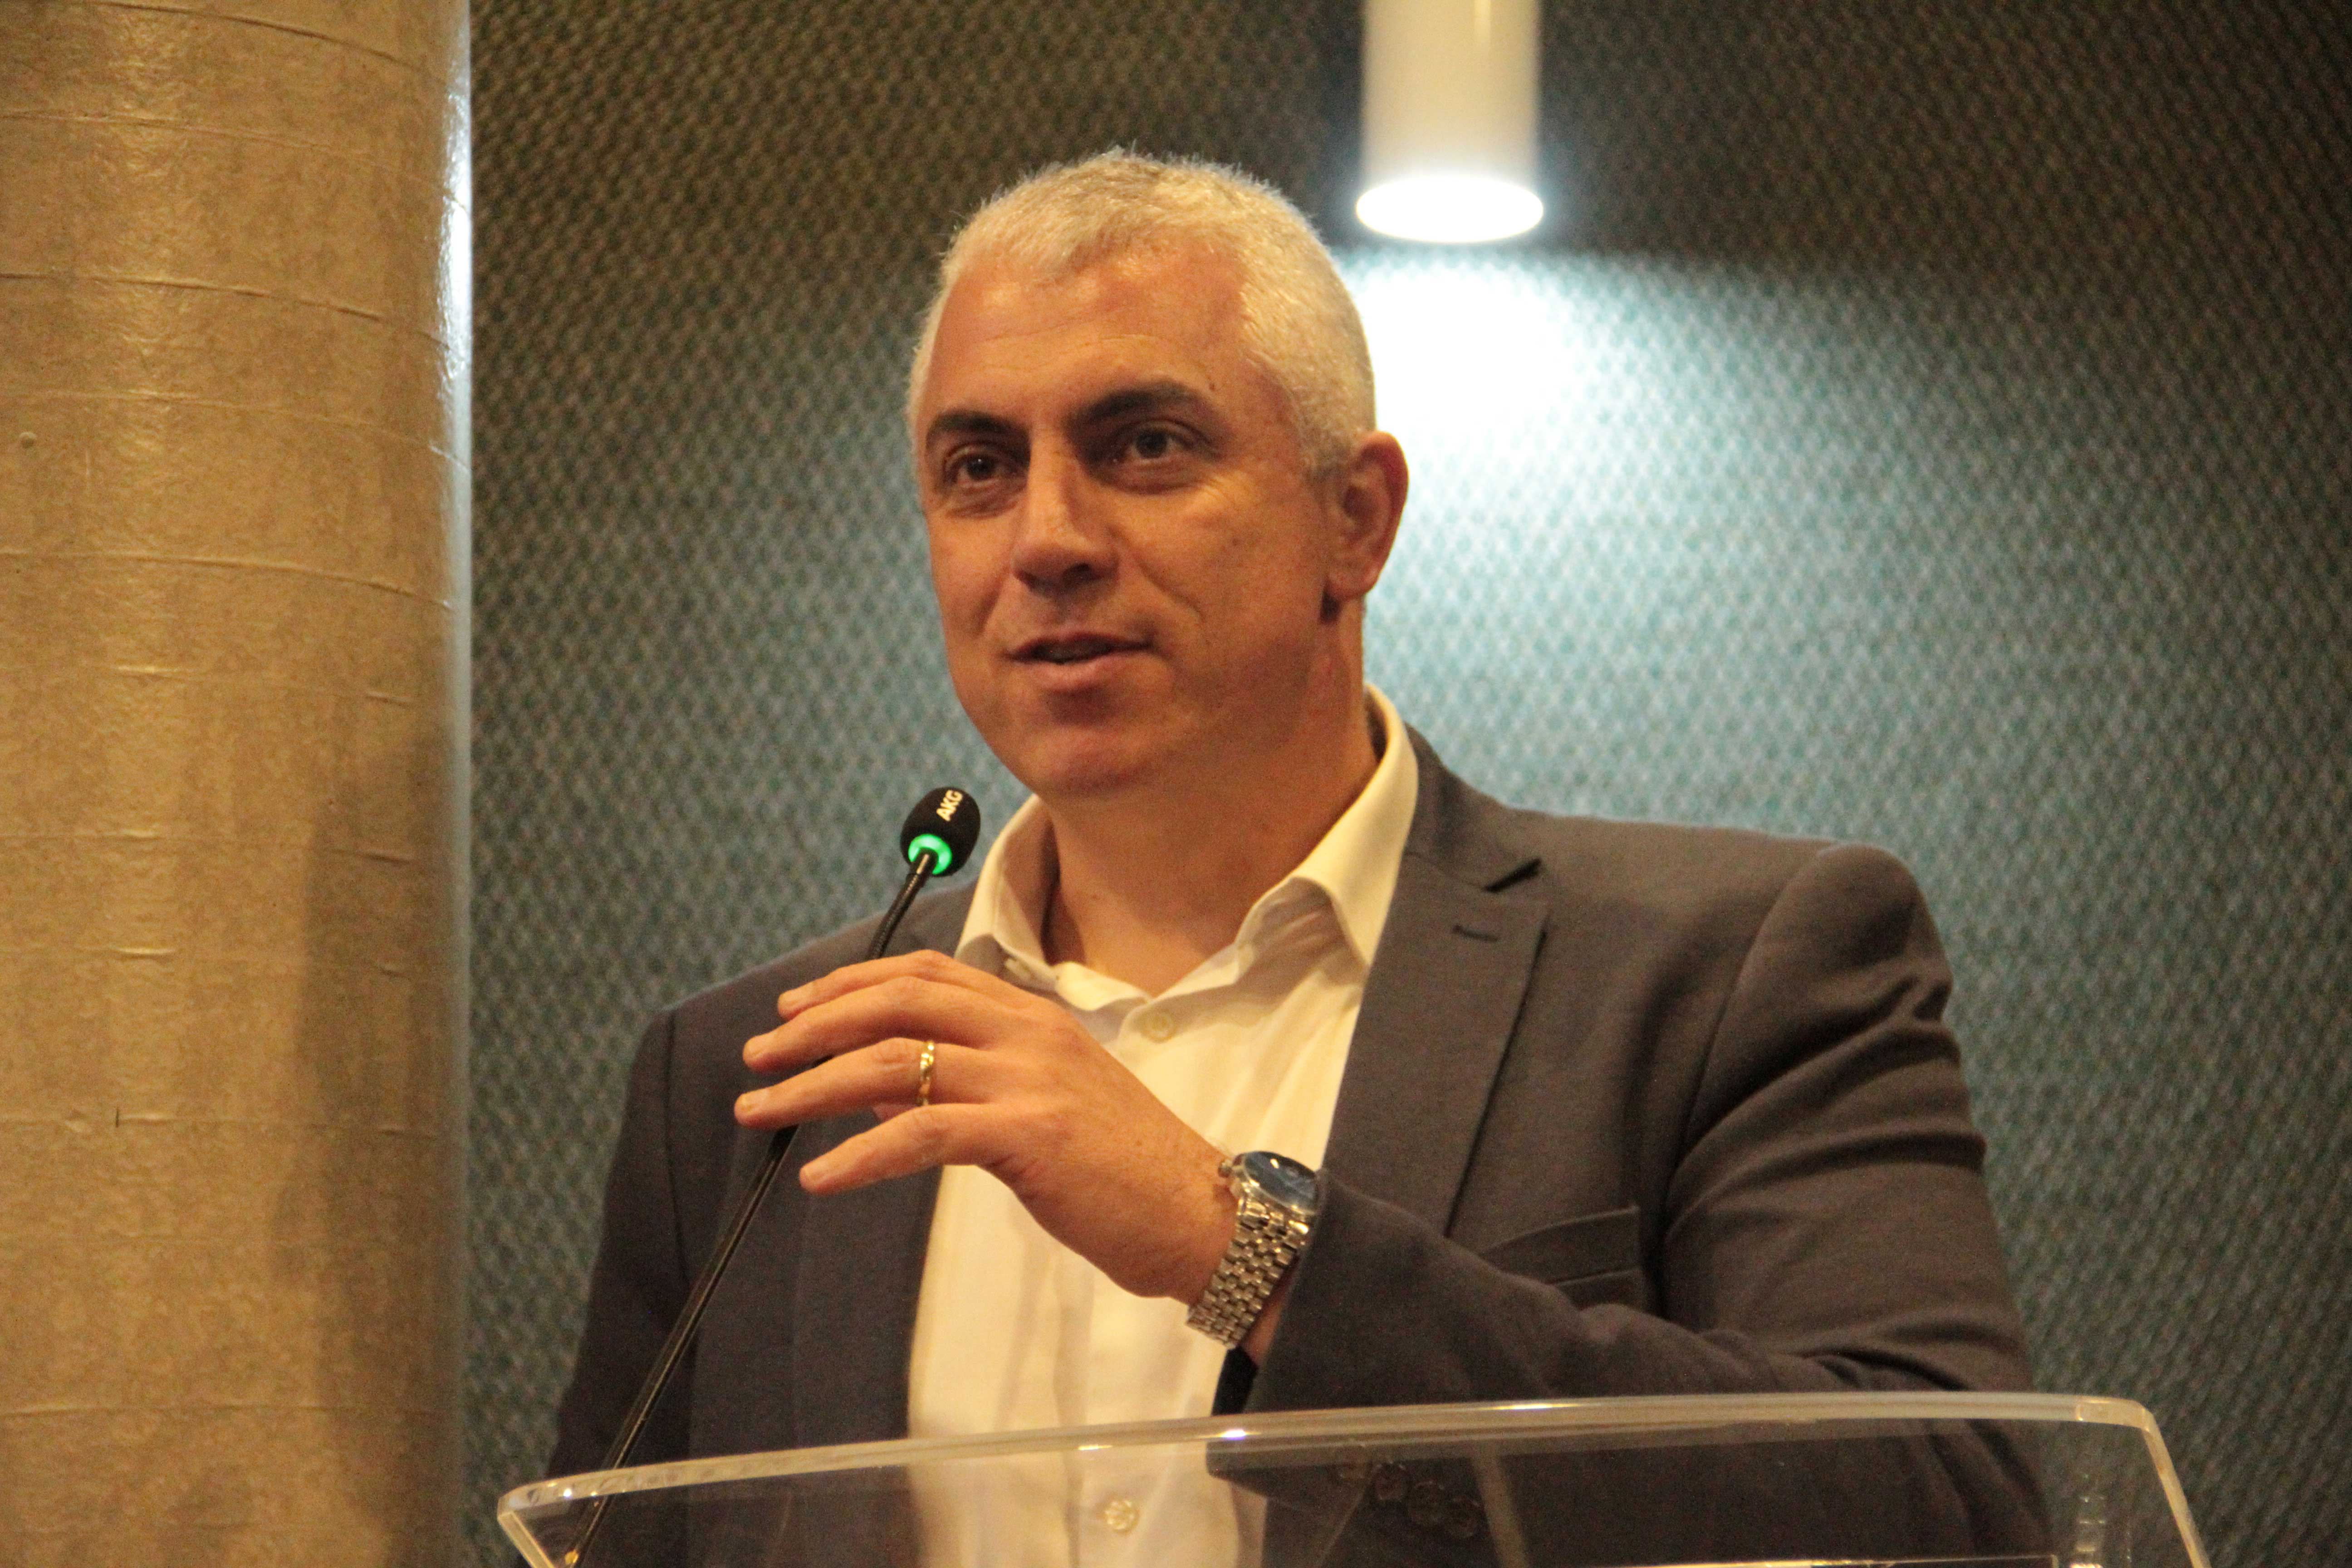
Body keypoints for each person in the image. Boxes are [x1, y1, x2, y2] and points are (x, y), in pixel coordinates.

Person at [550, 152, 2033, 1563]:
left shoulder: (1731, 970)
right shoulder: (750, 1075)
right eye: (980, 468)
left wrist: (1237, 1246)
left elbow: (1954, 1500)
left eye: (1145, 446)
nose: (1048, 539)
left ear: (1355, 519)